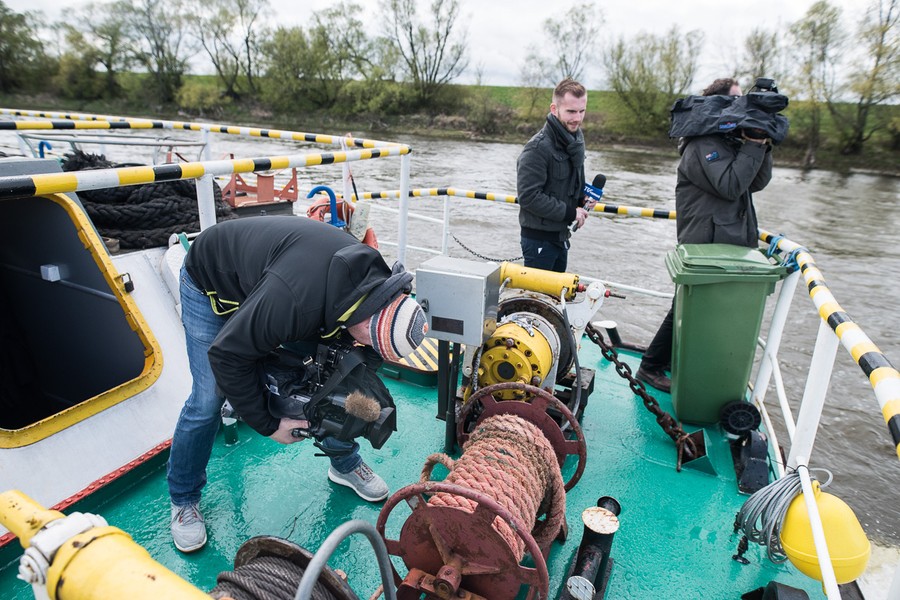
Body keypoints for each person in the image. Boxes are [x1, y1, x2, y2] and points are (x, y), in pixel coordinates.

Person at [168, 216, 427, 552]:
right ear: (365, 323)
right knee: (207, 400)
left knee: (333, 378)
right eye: (374, 345)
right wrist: (269, 424)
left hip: (272, 283)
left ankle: (344, 464)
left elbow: (354, 362)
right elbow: (226, 355)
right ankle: (184, 499)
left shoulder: (374, 285)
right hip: (210, 279)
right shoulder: (294, 301)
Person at [636, 77, 775, 393]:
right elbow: (730, 185)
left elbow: (756, 182)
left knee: (702, 310)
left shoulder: (728, 141)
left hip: (726, 238)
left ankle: (674, 361)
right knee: (685, 306)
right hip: (704, 239)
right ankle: (650, 366)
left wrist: (762, 142)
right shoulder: (702, 146)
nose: (743, 108)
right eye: (736, 101)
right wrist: (751, 145)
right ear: (718, 104)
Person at [516, 77, 596, 273]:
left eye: (581, 111)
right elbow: (529, 197)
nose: (577, 118)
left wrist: (581, 200)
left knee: (556, 301)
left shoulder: (574, 143)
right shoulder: (536, 148)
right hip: (538, 241)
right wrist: (571, 212)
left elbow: (567, 186)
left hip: (561, 238)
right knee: (538, 302)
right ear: (554, 109)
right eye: (571, 111)